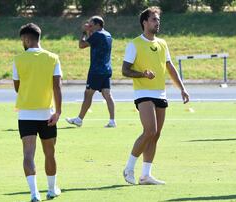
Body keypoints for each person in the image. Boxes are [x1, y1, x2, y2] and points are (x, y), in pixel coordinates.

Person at [121, 7, 189, 185]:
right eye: (153, 19)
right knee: (149, 130)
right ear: (144, 22)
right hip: (143, 92)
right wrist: (143, 74)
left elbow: (170, 66)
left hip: (160, 92)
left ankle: (145, 175)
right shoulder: (134, 44)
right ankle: (129, 168)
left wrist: (182, 88)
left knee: (156, 134)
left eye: (158, 20)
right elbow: (125, 70)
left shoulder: (162, 43)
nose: (157, 22)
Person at [13, 23, 62, 202]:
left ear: (26, 38)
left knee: (28, 154)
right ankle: (51, 189)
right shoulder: (52, 58)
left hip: (25, 114)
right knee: (50, 153)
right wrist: (58, 111)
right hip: (46, 113)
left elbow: (17, 88)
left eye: (22, 40)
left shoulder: (18, 60)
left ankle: (34, 194)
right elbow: (57, 87)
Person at [66, 16, 116, 128]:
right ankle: (112, 120)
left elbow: (82, 45)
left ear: (98, 24)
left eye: (91, 24)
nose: (89, 25)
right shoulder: (107, 34)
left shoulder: (97, 35)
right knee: (107, 94)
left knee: (88, 94)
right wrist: (89, 31)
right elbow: (93, 44)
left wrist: (84, 32)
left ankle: (79, 119)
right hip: (106, 69)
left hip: (96, 70)